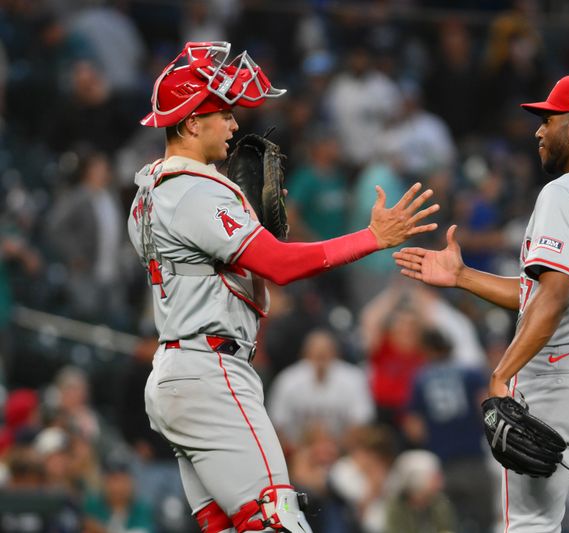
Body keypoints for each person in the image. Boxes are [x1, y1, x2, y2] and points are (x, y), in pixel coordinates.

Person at [127, 41, 439, 533]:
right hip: (210, 371)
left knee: (230, 527)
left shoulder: (148, 194)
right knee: (279, 520)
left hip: (177, 370)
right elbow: (279, 265)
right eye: (222, 114)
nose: (234, 125)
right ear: (190, 123)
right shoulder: (195, 190)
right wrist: (373, 237)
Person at [394, 75, 569, 531]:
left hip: (562, 369)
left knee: (530, 522)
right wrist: (464, 276)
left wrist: (502, 373)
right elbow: (552, 293)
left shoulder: (564, 192)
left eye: (549, 118)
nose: (538, 130)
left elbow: (553, 296)